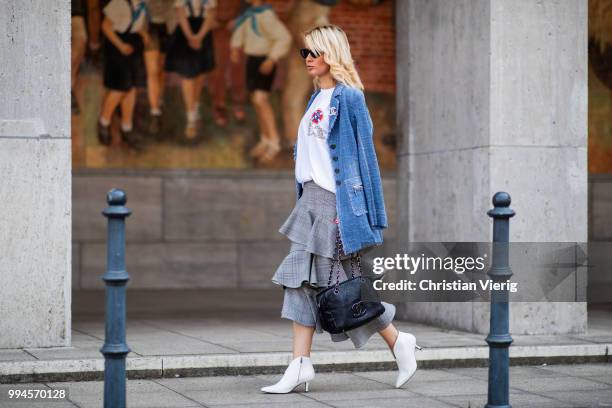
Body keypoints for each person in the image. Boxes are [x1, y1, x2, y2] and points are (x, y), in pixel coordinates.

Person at [261, 24, 422, 394]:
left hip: (336, 207)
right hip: (310, 203)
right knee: (301, 281)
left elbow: (366, 161)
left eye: (314, 52)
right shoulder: (314, 98)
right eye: (304, 53)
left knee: (346, 289)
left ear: (331, 54)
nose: (307, 59)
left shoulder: (349, 99)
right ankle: (302, 365)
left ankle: (398, 342)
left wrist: (364, 215)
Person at [230, 0, 291, 163]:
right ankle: (265, 139)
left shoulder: (267, 16)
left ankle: (274, 143)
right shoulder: (250, 14)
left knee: (260, 99)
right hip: (252, 61)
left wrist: (272, 58)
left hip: (265, 61)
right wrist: (235, 47)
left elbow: (284, 38)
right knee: (256, 101)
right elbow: (241, 30)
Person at [98, 0, 150, 151]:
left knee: (132, 88)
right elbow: (106, 27)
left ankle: (127, 127)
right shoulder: (120, 2)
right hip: (117, 45)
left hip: (133, 43)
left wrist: (142, 33)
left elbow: (135, 22)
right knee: (119, 89)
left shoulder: (142, 4)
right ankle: (104, 121)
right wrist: (120, 45)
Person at [165, 0, 217, 142]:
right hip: (185, 33)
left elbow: (211, 15)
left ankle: (195, 106)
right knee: (188, 76)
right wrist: (190, 37)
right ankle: (190, 119)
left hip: (204, 33)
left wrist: (199, 36)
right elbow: (181, 15)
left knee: (200, 74)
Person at [144, 0, 174, 136]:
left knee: (161, 70)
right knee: (153, 71)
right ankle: (154, 112)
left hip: (167, 25)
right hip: (148, 25)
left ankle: (158, 102)